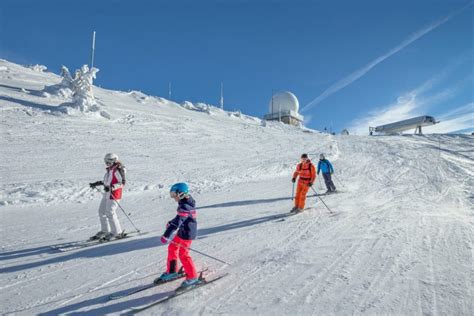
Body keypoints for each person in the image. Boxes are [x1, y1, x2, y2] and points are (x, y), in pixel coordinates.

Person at [154, 182, 199, 289]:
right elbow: (179, 218)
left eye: (174, 194)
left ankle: (192, 278)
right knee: (172, 247)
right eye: (172, 194)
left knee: (183, 254)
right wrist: (171, 222)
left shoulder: (185, 206)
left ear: (182, 194)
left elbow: (177, 222)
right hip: (182, 231)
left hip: (187, 234)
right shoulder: (185, 202)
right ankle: (172, 271)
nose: (173, 197)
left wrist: (166, 235)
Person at [89, 153, 127, 241]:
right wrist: (97, 183)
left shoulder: (119, 169)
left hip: (114, 194)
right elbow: (107, 181)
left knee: (110, 212)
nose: (107, 164)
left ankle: (117, 232)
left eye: (108, 162)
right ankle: (105, 231)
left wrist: (111, 187)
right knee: (101, 212)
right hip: (107, 193)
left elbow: (122, 183)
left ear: (113, 160)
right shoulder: (110, 169)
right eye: (105, 162)